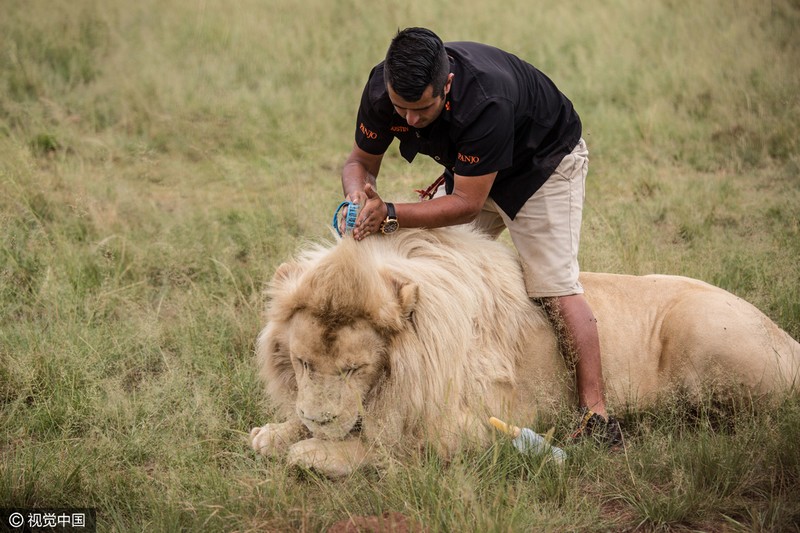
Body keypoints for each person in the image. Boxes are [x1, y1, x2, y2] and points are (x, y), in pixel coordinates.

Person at [340, 27, 622, 448]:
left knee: (553, 286)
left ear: (447, 84)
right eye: (402, 107)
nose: (410, 120)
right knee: (436, 269)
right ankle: (439, 385)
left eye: (422, 110)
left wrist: (392, 215)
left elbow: (468, 203)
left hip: (542, 166)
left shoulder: (487, 99)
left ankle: (597, 415)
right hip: (471, 169)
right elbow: (360, 161)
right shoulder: (384, 90)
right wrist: (357, 194)